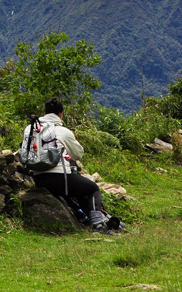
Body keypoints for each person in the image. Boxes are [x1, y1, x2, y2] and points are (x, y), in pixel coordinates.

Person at [30, 97, 118, 233]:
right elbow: (78, 154)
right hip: (60, 179)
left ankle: (94, 220)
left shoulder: (31, 128)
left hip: (39, 179)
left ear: (45, 113)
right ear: (61, 114)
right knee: (92, 189)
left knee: (78, 193)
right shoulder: (63, 131)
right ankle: (98, 224)